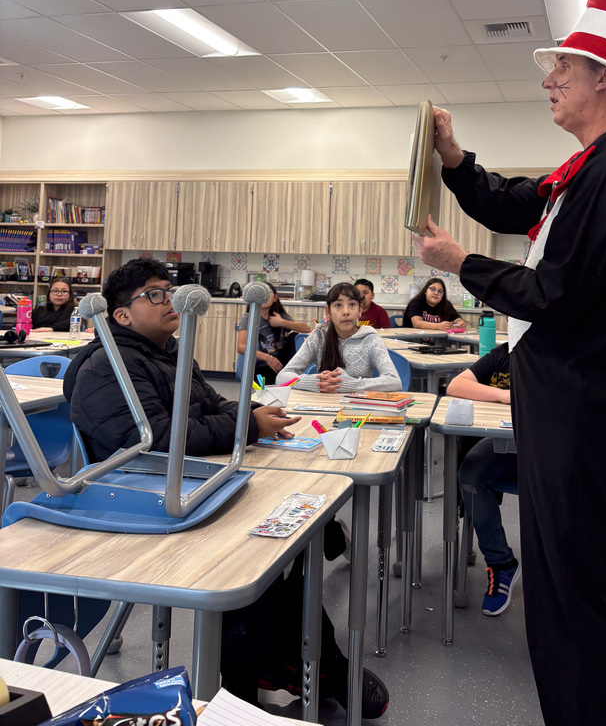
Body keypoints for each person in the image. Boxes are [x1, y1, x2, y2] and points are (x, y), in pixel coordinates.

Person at [413, 0, 606, 726]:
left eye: (561, 68)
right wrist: (454, 159)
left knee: (571, 593)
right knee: (578, 581)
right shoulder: (595, 166)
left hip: (580, 405)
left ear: (605, 75)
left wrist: (460, 263)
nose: (548, 81)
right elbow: (513, 202)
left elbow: (551, 295)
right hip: (570, 400)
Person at [63, 258, 389, 719]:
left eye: (169, 290)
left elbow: (212, 404)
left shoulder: (168, 351)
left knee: (291, 532)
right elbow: (156, 438)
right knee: (258, 549)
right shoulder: (107, 365)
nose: (169, 300)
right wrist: (247, 427)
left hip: (186, 484)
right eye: (154, 294)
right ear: (121, 315)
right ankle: (290, 671)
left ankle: (281, 667)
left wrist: (253, 413)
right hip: (143, 503)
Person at [446, 344, 521, 616]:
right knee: (471, 474)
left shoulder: (562, 351)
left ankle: (561, 570)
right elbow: (456, 386)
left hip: (554, 449)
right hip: (508, 446)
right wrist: (504, 396)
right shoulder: (504, 354)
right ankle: (501, 563)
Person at [277, 283, 400, 393]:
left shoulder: (370, 339)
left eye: (352, 304)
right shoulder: (319, 336)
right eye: (338, 305)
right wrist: (316, 382)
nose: (346, 311)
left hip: (357, 407)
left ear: (360, 310)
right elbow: (282, 377)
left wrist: (352, 385)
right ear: (328, 312)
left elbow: (394, 381)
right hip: (321, 405)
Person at [236, 282, 312, 384]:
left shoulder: (278, 316)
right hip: (262, 366)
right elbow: (241, 347)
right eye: (261, 294)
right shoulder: (248, 318)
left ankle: (292, 372)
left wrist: (282, 322)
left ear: (275, 298)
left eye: (268, 293)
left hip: (281, 363)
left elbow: (306, 329)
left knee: (294, 336)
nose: (264, 297)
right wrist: (268, 358)